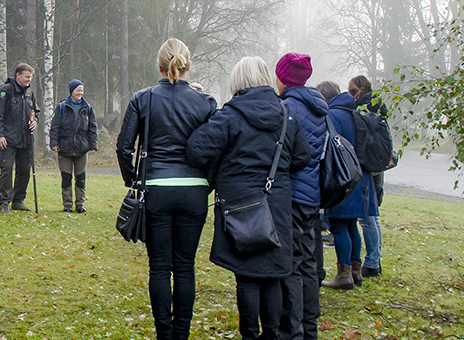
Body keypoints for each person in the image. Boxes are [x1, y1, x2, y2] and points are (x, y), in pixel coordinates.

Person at [187, 56, 310, 340]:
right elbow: (302, 157)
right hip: (276, 204)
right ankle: (272, 334)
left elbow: (196, 149)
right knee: (272, 276)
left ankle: (250, 335)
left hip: (240, 204)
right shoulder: (286, 115)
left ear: (238, 80)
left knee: (247, 276)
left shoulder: (230, 115)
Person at [115, 38, 217, 340]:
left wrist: (132, 179)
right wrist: (207, 182)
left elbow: (124, 146)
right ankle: (181, 334)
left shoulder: (143, 98)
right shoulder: (206, 102)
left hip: (155, 188)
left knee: (159, 267)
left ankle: (164, 333)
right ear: (188, 65)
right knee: (184, 267)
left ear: (159, 65)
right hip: (194, 190)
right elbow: (217, 147)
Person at [273, 52, 327, 340]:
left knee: (291, 265)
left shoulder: (288, 108)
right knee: (308, 263)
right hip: (312, 196)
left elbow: (291, 155)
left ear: (284, 78)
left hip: (292, 194)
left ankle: (291, 330)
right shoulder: (318, 106)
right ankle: (310, 328)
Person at [317, 80, 375, 292]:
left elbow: (329, 146)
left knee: (339, 225)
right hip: (357, 176)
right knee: (351, 225)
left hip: (340, 176)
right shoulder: (353, 112)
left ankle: (343, 274)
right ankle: (355, 271)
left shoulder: (333, 115)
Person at [348, 75, 386, 278]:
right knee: (374, 215)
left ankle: (372, 261)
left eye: (352, 90)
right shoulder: (379, 105)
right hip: (377, 163)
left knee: (367, 217)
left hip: (368, 164)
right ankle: (375, 259)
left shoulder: (365, 107)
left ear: (359, 90)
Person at [0, 63, 39, 213]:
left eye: (30, 77)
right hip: (8, 139)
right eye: (27, 77)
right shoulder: (5, 91)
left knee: (24, 170)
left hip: (26, 139)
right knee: (6, 170)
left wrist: (35, 121)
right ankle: (4, 201)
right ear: (18, 75)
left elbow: (35, 111)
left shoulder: (30, 92)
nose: (29, 80)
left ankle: (18, 200)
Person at [49, 79, 97, 213]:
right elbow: (55, 127)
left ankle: (80, 204)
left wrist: (93, 144)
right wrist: (54, 143)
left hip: (82, 149)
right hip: (64, 149)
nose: (80, 93)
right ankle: (67, 205)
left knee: (81, 178)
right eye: (78, 90)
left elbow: (93, 128)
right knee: (66, 178)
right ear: (71, 91)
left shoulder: (87, 108)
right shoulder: (62, 107)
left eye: (82, 90)